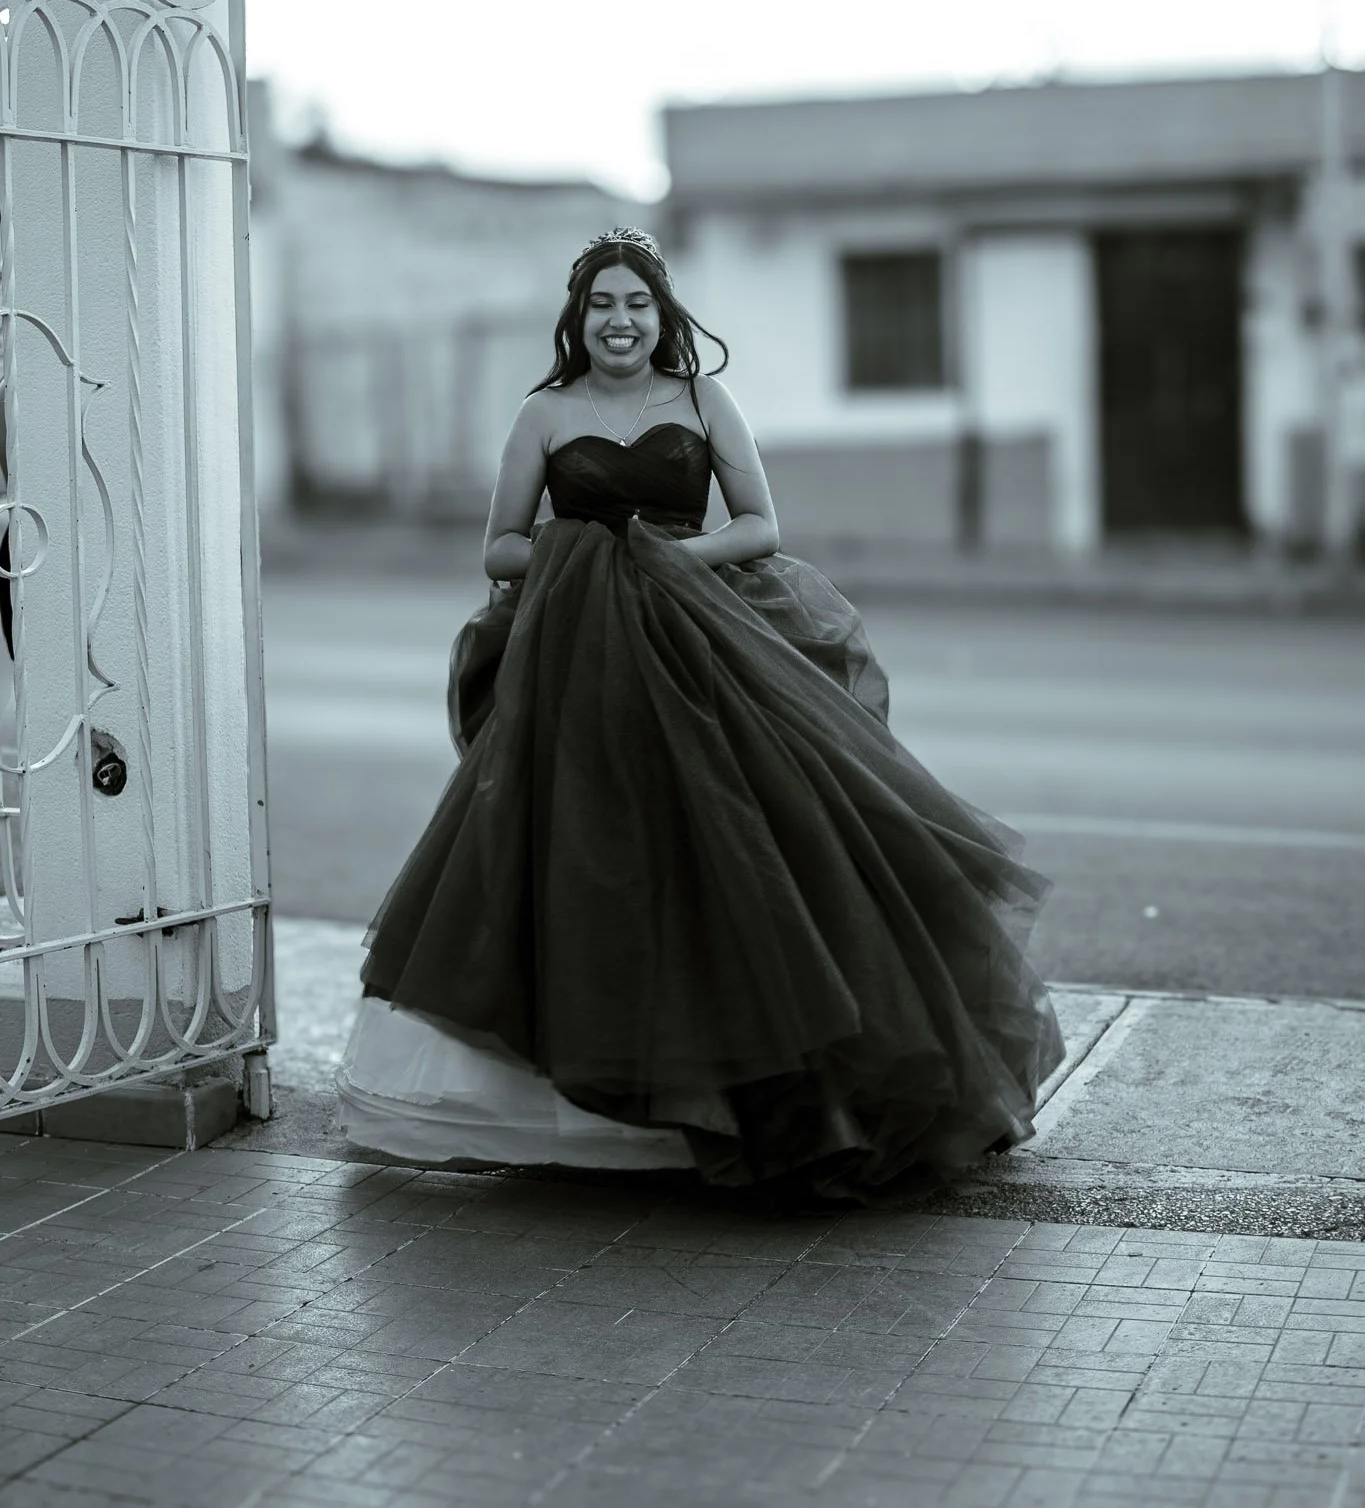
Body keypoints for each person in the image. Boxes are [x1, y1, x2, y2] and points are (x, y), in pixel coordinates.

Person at [337, 227, 1064, 1198]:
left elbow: (762, 524)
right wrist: (588, 555)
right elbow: (503, 547)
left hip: (707, 639)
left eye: (638, 302)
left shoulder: (702, 399)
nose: (620, 320)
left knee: (754, 842)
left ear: (663, 314)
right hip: (584, 658)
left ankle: (779, 1092)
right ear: (578, 318)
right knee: (592, 856)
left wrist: (671, 560)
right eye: (602, 304)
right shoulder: (545, 414)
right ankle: (594, 1105)